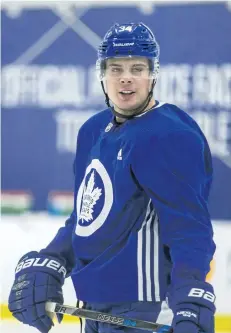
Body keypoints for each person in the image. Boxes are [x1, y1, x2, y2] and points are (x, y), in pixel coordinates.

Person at [8, 22, 216, 333]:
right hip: (91, 309)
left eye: (137, 68)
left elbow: (189, 229)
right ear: (102, 75)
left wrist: (191, 300)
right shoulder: (92, 131)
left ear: (153, 74)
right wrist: (52, 260)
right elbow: (85, 217)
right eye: (116, 68)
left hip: (144, 310)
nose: (126, 77)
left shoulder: (169, 134)